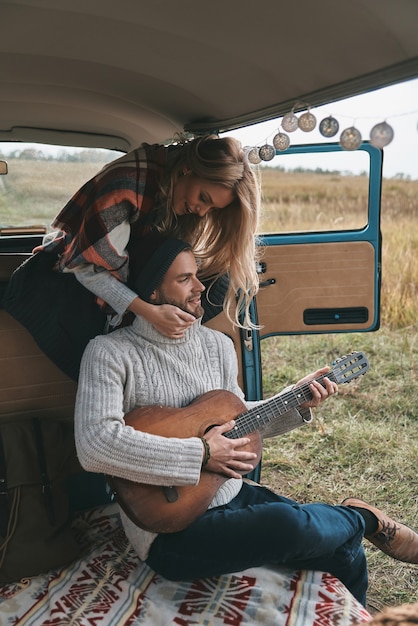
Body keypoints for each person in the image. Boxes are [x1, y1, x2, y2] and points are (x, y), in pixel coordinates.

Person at [74, 236, 418, 608]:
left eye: (198, 277)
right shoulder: (109, 352)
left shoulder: (217, 346)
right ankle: (362, 518)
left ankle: (359, 608)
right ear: (153, 289)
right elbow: (95, 444)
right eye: (185, 279)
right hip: (169, 529)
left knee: (342, 550)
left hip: (231, 493)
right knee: (289, 525)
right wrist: (201, 453)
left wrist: (295, 399)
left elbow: (235, 422)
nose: (200, 288)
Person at [2, 134, 261, 380]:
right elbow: (86, 269)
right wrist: (150, 313)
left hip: (118, 272)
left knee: (220, 283)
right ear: (187, 169)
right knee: (97, 359)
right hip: (72, 278)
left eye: (212, 208)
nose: (202, 212)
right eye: (203, 198)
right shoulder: (125, 186)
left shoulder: (170, 192)